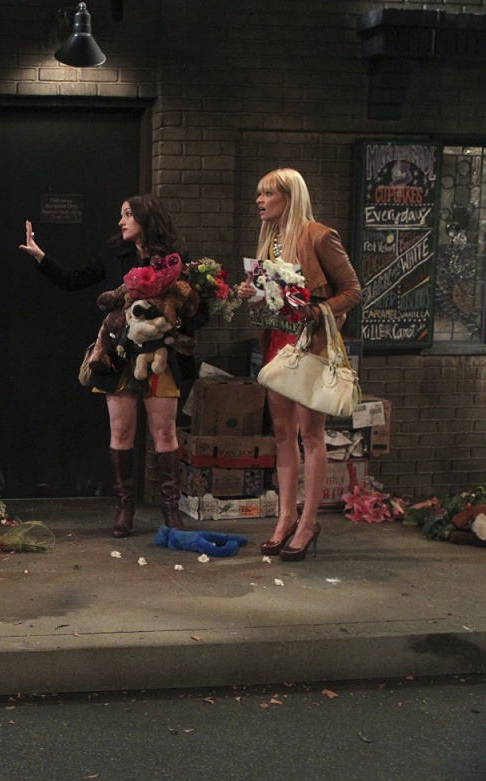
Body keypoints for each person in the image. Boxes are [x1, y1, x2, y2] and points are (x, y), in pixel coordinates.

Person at [20, 194, 207, 537]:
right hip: (119, 358)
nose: (121, 221)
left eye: (128, 214)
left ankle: (171, 511)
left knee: (164, 433)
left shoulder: (177, 260)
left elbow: (200, 310)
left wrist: (175, 324)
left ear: (146, 218)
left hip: (161, 359)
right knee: (121, 432)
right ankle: (125, 509)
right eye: (121, 215)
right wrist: (40, 257)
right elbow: (73, 279)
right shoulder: (114, 256)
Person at [237, 168, 362, 562]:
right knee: (282, 433)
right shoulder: (270, 239)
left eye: (267, 193)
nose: (259, 200)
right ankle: (286, 516)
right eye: (259, 193)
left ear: (289, 197)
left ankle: (308, 522)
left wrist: (316, 310)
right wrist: (250, 293)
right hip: (277, 343)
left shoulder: (319, 236)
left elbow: (353, 290)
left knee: (311, 434)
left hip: (312, 345)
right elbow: (273, 297)